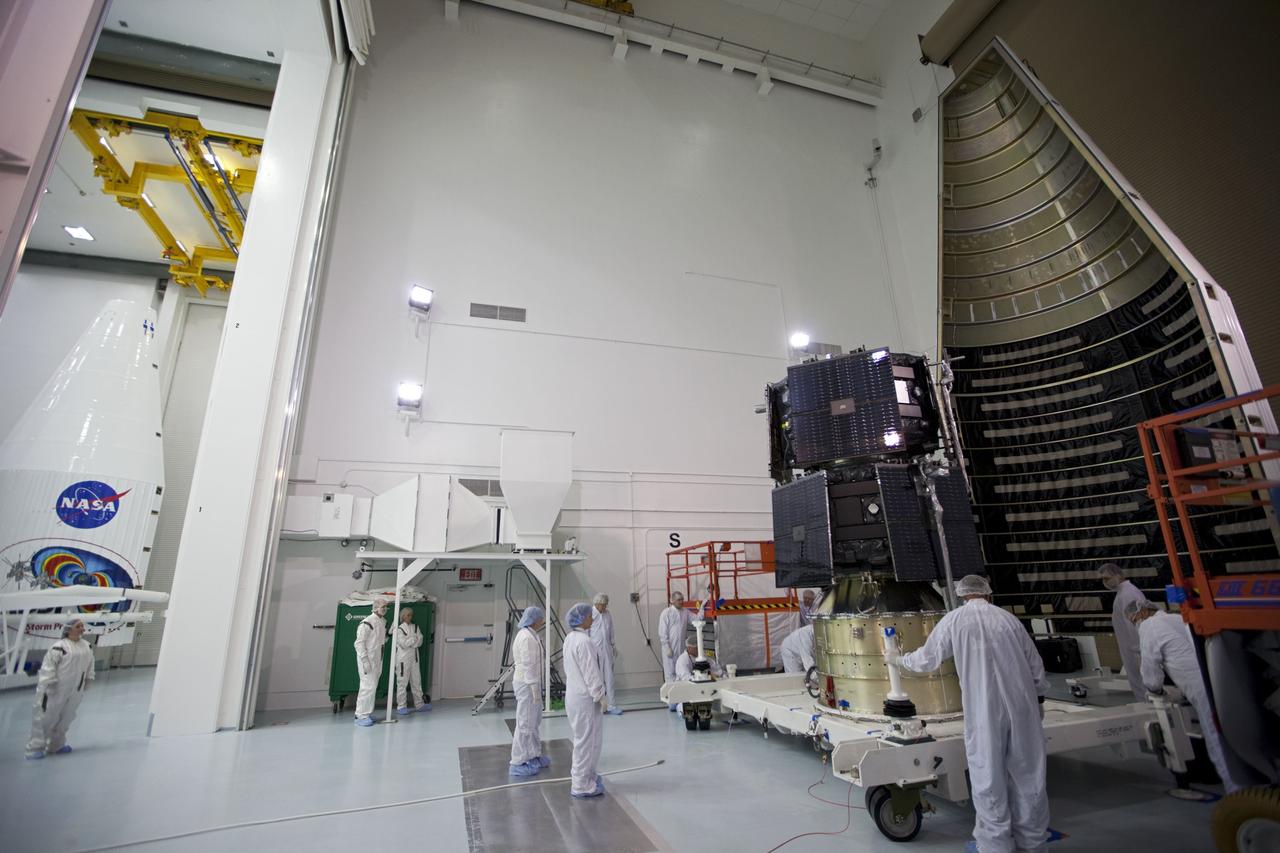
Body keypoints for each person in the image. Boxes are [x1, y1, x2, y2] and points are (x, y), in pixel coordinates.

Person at [890, 575, 1050, 853]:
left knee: (988, 776)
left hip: (983, 707)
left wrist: (898, 659)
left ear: (961, 594)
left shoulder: (955, 620)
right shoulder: (1008, 619)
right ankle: (1033, 842)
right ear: (987, 591)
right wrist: (1038, 699)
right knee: (1029, 775)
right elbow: (1034, 662)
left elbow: (928, 658)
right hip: (1023, 705)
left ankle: (996, 845)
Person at [1128, 599, 1239, 792]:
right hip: (1222, 679)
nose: (1135, 623)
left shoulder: (1148, 626)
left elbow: (1150, 669)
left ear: (1143, 612)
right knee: (1237, 732)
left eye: (1133, 619)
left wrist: (1155, 691)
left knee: (1216, 739)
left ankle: (1237, 794)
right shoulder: (1177, 618)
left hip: (1199, 687)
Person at [26, 619, 94, 759]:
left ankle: (56, 745)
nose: (82, 628)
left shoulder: (86, 646)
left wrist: (89, 678)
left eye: (82, 626)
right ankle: (35, 747)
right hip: (55, 689)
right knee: (46, 718)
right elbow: (48, 666)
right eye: (78, 626)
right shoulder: (59, 647)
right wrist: (47, 682)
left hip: (76, 690)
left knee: (67, 717)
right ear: (69, 629)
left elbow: (90, 664)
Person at [564, 602, 607, 798]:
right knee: (586, 742)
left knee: (585, 740)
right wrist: (600, 695)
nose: (592, 618)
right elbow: (591, 673)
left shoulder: (571, 638)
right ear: (582, 619)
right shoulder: (584, 642)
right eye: (590, 615)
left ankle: (586, 776)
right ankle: (581, 784)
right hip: (585, 699)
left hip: (575, 696)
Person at [509, 606, 550, 777]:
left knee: (533, 721)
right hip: (526, 684)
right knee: (525, 722)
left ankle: (533, 754)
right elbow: (528, 664)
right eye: (541, 618)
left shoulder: (532, 635)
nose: (543, 621)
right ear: (534, 620)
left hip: (532, 683)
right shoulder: (526, 637)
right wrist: (533, 686)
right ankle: (517, 762)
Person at [1099, 562, 1149, 700]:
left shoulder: (1128, 594)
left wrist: (1139, 651)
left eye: (1107, 578)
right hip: (1132, 650)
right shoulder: (1122, 594)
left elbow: (1136, 624)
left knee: (1144, 686)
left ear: (1119, 575)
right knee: (1140, 686)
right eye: (1103, 579)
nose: (1105, 582)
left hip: (1136, 650)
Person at [353, 597, 389, 726]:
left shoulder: (382, 622)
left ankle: (366, 713)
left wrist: (389, 636)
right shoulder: (367, 623)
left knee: (372, 687)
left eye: (386, 607)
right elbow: (359, 643)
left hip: (377, 659)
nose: (384, 609)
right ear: (375, 607)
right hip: (367, 660)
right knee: (367, 687)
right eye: (382, 607)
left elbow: (378, 641)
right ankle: (360, 715)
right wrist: (365, 660)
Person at [590, 594, 622, 715]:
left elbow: (611, 630)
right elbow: (587, 632)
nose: (605, 607)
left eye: (606, 605)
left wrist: (613, 645)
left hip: (607, 649)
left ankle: (611, 705)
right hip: (595, 650)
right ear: (597, 604)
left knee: (609, 677)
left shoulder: (607, 614)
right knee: (597, 678)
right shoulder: (591, 614)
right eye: (603, 605)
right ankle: (598, 705)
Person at [394, 608, 430, 715]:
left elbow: (420, 640)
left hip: (414, 659)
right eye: (408, 615)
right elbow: (403, 643)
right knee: (402, 683)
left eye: (411, 615)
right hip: (403, 660)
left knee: (416, 681)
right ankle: (401, 706)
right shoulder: (399, 629)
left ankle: (419, 704)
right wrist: (413, 640)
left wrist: (411, 641)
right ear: (403, 616)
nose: (410, 617)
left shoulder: (415, 627)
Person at [658, 591, 690, 710]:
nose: (681, 601)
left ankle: (679, 699)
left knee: (680, 673)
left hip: (681, 649)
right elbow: (662, 631)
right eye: (678, 600)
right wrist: (666, 647)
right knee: (670, 674)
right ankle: (671, 701)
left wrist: (702, 607)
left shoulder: (685, 612)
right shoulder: (666, 613)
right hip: (670, 650)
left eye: (682, 599)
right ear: (672, 600)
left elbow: (697, 619)